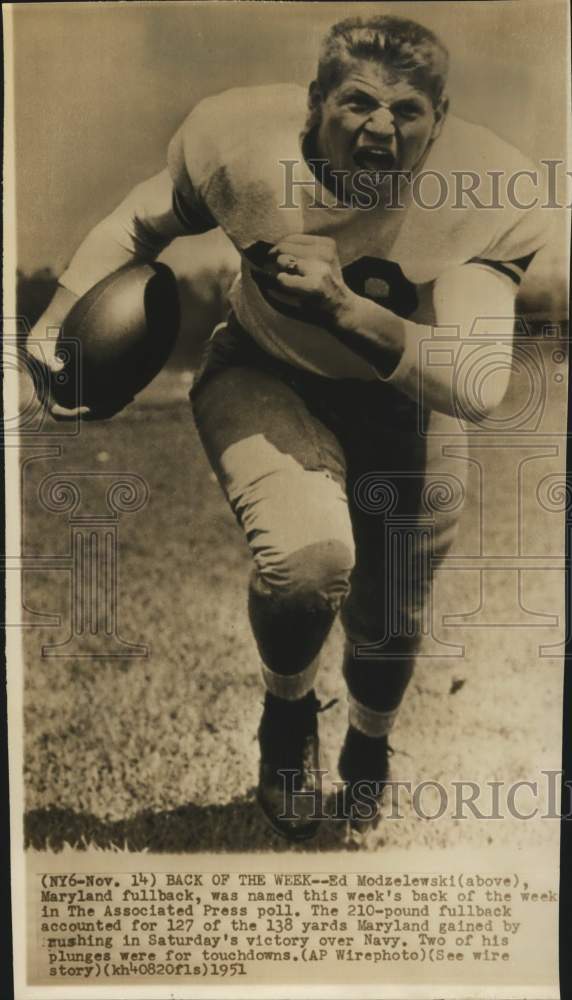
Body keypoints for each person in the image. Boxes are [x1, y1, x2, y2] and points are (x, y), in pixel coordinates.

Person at [27, 15, 551, 840]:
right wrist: (55, 324)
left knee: (389, 623)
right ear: (315, 104)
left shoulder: (485, 190)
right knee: (310, 562)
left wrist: (343, 308)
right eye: (359, 103)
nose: (381, 127)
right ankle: (285, 715)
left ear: (440, 122)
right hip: (266, 373)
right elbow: (139, 225)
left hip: (410, 402)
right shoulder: (238, 140)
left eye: (409, 110)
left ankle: (370, 747)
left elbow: (476, 383)